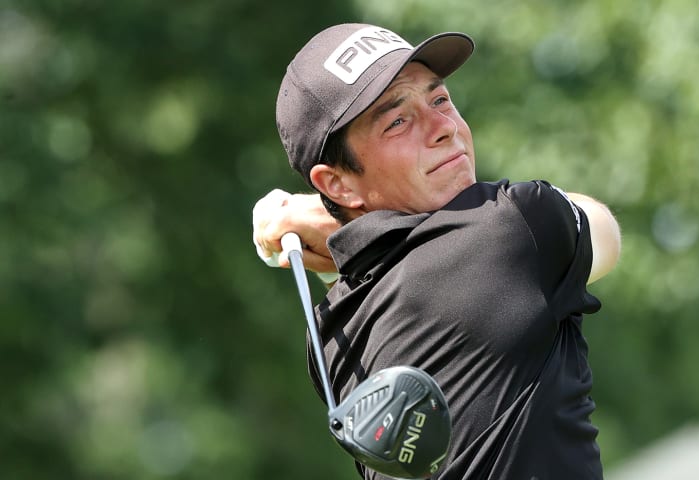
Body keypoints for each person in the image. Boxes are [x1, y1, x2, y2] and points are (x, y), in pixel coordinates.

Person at [252, 23, 621, 480]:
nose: (444, 128)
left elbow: (384, 270)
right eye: (398, 121)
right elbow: (604, 230)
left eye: (440, 100)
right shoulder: (512, 225)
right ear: (337, 183)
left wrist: (331, 221)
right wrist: (321, 219)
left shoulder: (331, 337)